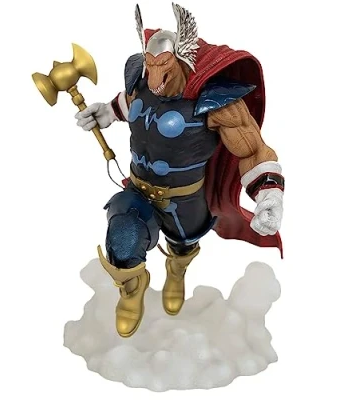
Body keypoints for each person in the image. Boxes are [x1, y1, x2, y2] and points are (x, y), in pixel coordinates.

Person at [75, 3, 284, 338]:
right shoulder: (141, 81)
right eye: (149, 64)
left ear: (180, 59)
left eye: (163, 66)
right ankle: (132, 289)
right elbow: (130, 104)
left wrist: (269, 194)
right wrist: (107, 112)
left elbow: (252, 149)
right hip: (138, 190)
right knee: (123, 239)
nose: (154, 75)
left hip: (185, 201)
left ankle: (177, 269)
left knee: (183, 245)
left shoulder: (216, 102)